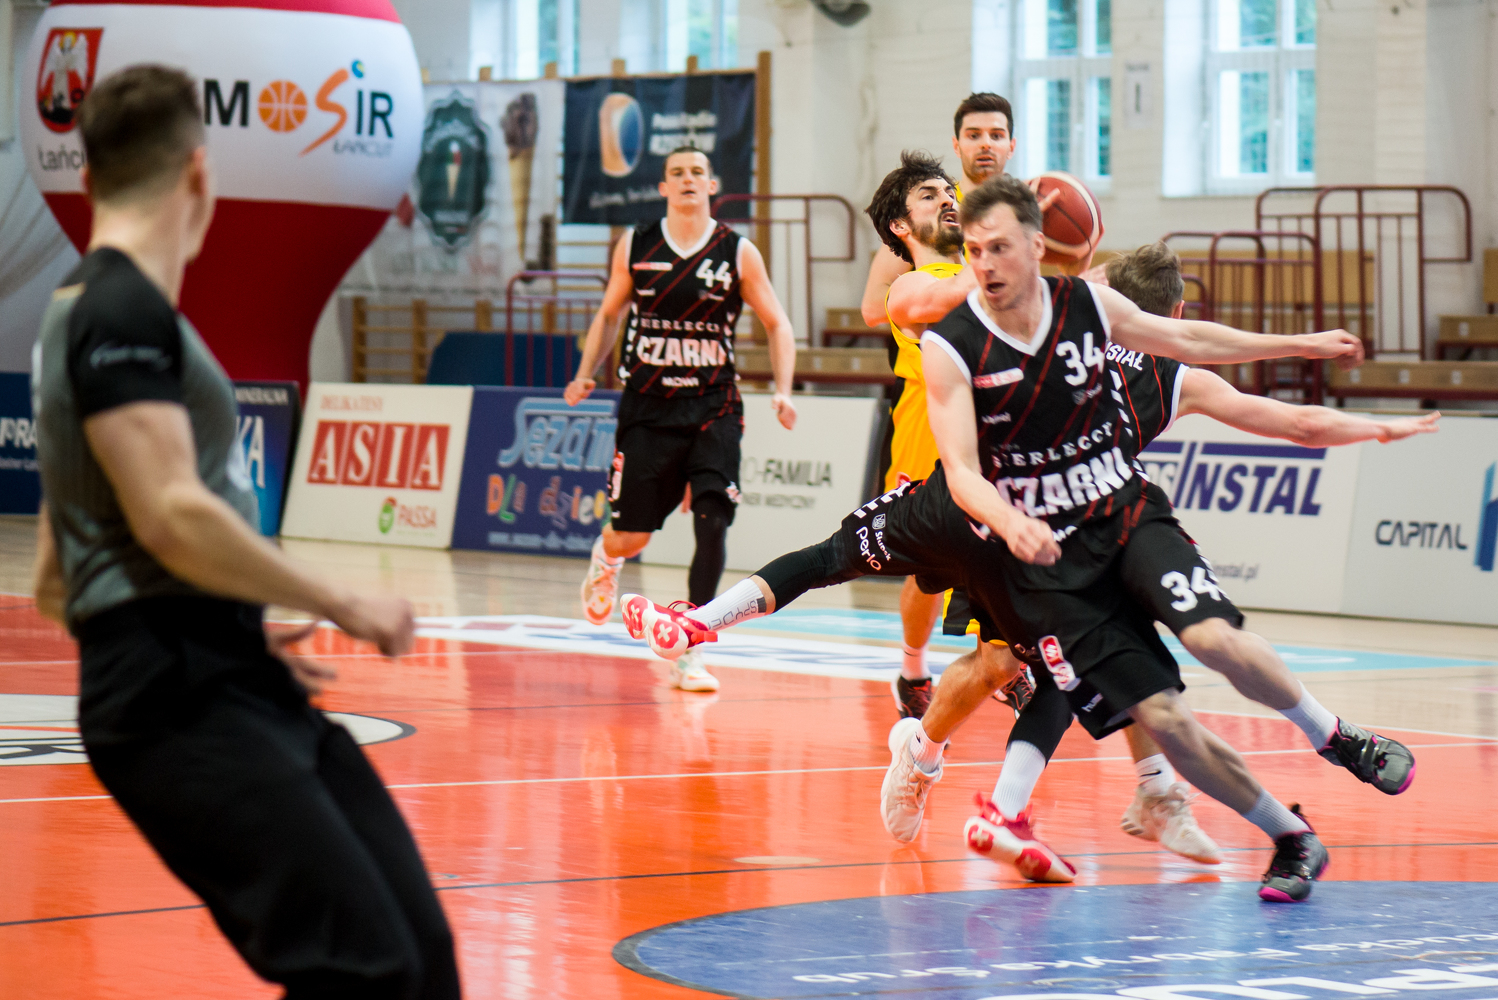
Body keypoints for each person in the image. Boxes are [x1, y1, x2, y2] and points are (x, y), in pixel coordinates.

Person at [620, 176, 1413, 902]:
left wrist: (1310, 355)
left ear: (1042, 249)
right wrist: (1009, 518)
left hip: (1098, 525)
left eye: (1001, 245)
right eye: (975, 247)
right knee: (1012, 655)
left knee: (1098, 659)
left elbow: (1201, 347)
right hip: (979, 511)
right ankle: (940, 750)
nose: (987, 261)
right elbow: (949, 424)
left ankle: (1192, 776)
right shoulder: (947, 323)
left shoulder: (1095, 314)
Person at [29, 66, 459, 997]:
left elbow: (54, 575)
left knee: (420, 956)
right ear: (200, 170)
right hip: (173, 695)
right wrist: (341, 600)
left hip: (213, 666)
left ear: (89, 176)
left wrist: (221, 623)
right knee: (364, 970)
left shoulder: (89, 315)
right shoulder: (118, 311)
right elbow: (170, 512)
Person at [929, 241, 1440, 882]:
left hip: (1074, 529)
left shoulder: (1068, 326)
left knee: (1150, 662)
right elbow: (1290, 418)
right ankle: (1287, 789)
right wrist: (1360, 410)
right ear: (1168, 311)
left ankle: (1300, 751)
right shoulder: (1150, 362)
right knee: (1166, 691)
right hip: (1053, 543)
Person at [565, 145, 798, 693]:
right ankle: (606, 557)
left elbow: (778, 323)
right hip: (648, 406)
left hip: (714, 405)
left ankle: (690, 646)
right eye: (677, 172)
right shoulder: (637, 244)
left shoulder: (737, 252)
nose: (688, 179)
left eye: (697, 171)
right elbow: (609, 313)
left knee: (713, 520)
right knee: (632, 536)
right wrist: (584, 373)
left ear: (712, 184)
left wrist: (784, 390)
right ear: (663, 187)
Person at [860, 97, 1017, 709]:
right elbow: (886, 304)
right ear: (958, 144)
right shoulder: (918, 262)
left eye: (996, 134)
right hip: (926, 416)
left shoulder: (995, 226)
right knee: (931, 567)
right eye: (974, 134)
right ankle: (913, 669)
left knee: (997, 544)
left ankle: (1006, 660)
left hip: (994, 415)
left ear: (1010, 145)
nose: (985, 144)